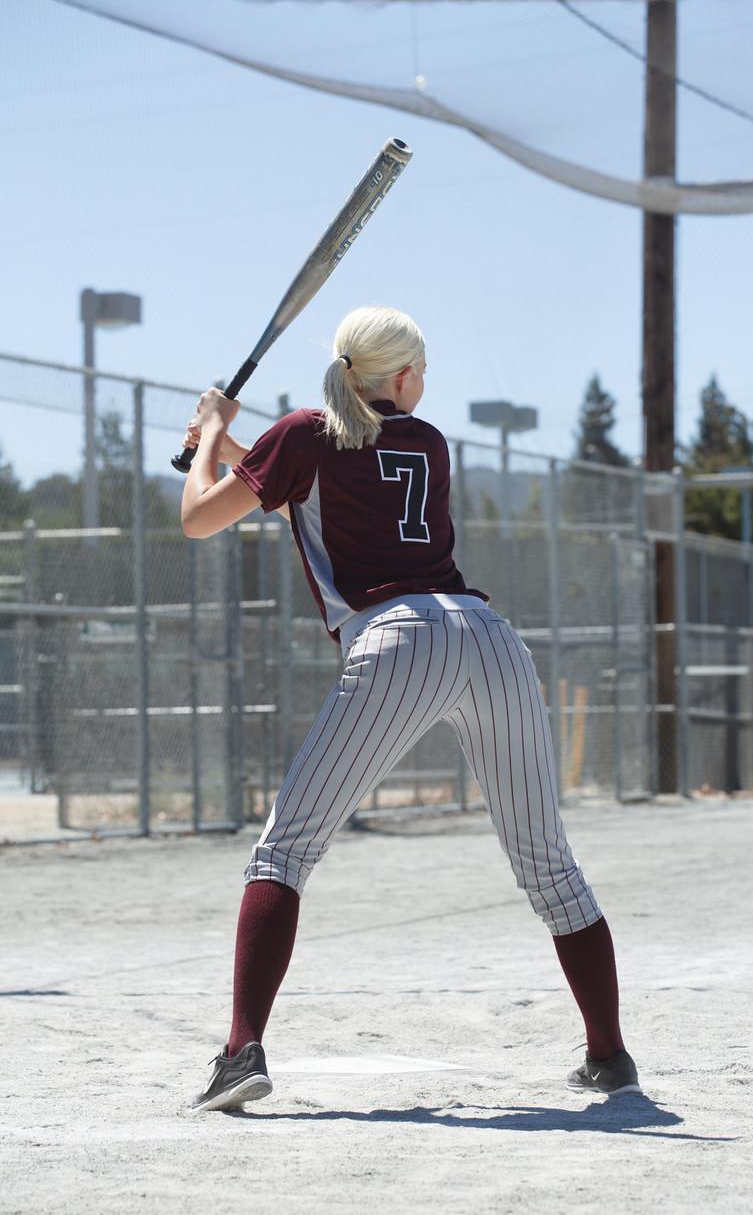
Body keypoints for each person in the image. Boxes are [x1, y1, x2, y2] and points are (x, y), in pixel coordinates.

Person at [180, 306, 640, 1113]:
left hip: (397, 640)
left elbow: (200, 517)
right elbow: (304, 478)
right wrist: (223, 440)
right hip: (487, 636)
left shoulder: (305, 432)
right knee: (549, 865)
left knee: (283, 851)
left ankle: (240, 1050)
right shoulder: (422, 440)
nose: (423, 383)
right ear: (397, 379)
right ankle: (609, 1055)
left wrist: (208, 438)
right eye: (419, 370)